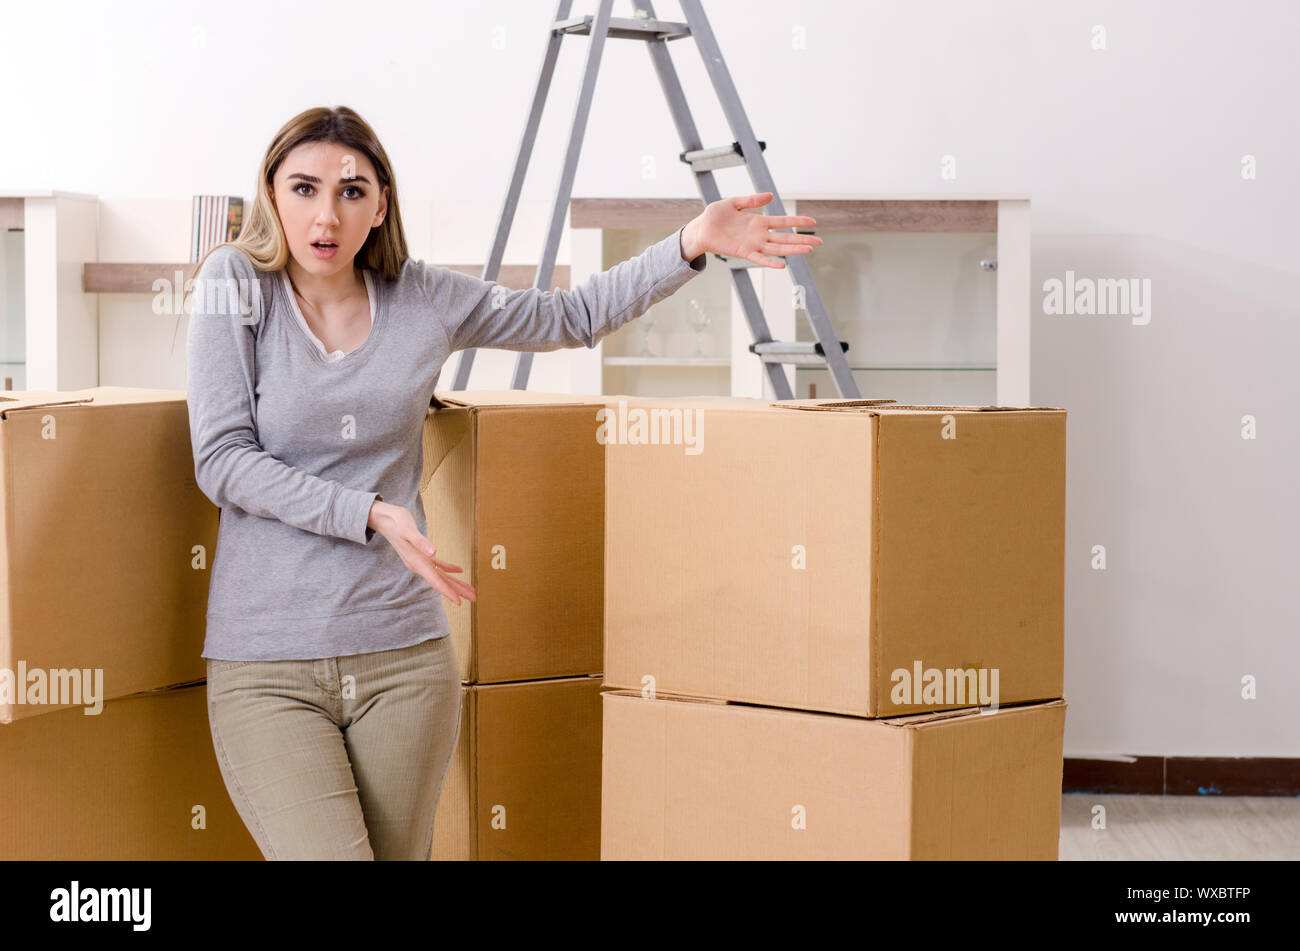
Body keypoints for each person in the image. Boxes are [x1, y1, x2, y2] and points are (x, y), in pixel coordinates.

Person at [184, 104, 821, 860]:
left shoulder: (422, 299)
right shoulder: (236, 284)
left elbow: (568, 317)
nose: (327, 214)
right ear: (271, 195)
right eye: (304, 188)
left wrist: (690, 243)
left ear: (380, 203)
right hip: (268, 666)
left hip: (402, 659)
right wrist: (369, 512)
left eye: (352, 191)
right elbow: (221, 457)